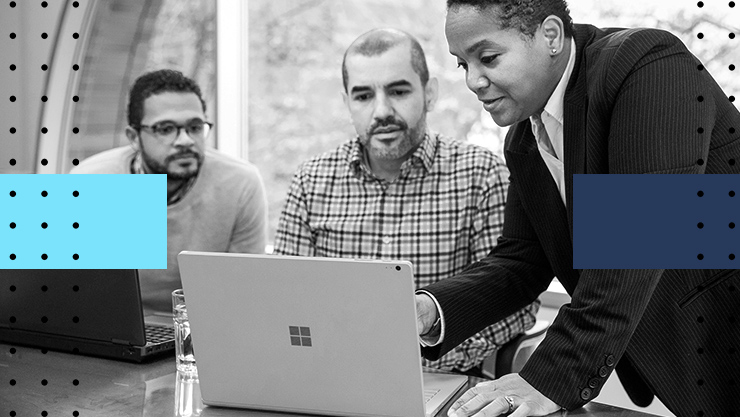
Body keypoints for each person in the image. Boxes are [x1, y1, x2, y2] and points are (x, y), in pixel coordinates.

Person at [414, 1, 740, 415]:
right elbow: (520, 261)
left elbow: (636, 244)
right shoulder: (524, 138)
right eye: (462, 65)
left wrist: (545, 380)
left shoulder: (646, 64)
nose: (474, 81)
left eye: (488, 57)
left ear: (550, 35)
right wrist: (428, 310)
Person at [274, 28, 540, 374]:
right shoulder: (311, 181)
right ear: (347, 104)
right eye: (363, 96)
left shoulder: (482, 175)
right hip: (332, 375)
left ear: (429, 94)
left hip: (443, 382)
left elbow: (513, 305)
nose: (382, 110)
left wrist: (418, 357)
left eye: (398, 91)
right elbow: (283, 300)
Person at [72, 69, 268, 314]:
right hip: (116, 330)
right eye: (165, 129)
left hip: (203, 330)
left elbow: (245, 294)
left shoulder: (239, 183)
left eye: (195, 127)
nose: (185, 140)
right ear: (134, 137)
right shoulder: (94, 181)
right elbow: (72, 294)